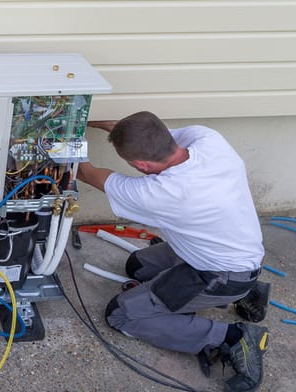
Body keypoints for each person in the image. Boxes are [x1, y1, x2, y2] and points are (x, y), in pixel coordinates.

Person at [76, 111, 269, 392]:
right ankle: (249, 292)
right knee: (137, 266)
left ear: (141, 165)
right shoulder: (208, 140)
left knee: (122, 315)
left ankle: (232, 337)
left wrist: (65, 135)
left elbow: (84, 172)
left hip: (219, 272)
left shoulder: (163, 192)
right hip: (232, 251)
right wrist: (77, 120)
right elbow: (129, 128)